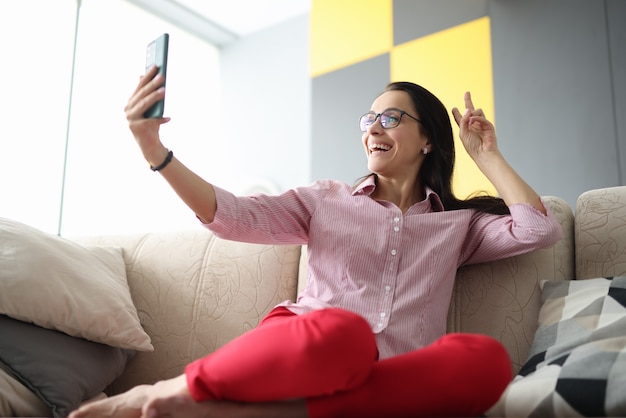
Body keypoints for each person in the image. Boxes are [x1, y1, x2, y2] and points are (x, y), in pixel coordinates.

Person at [70, 66, 562, 418]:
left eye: (390, 118)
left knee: (485, 360)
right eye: (367, 120)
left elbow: (538, 229)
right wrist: (156, 152)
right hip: (312, 347)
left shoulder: (458, 225)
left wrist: (487, 155)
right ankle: (169, 392)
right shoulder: (326, 200)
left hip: (389, 377)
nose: (373, 127)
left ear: (428, 139)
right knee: (345, 336)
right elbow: (233, 215)